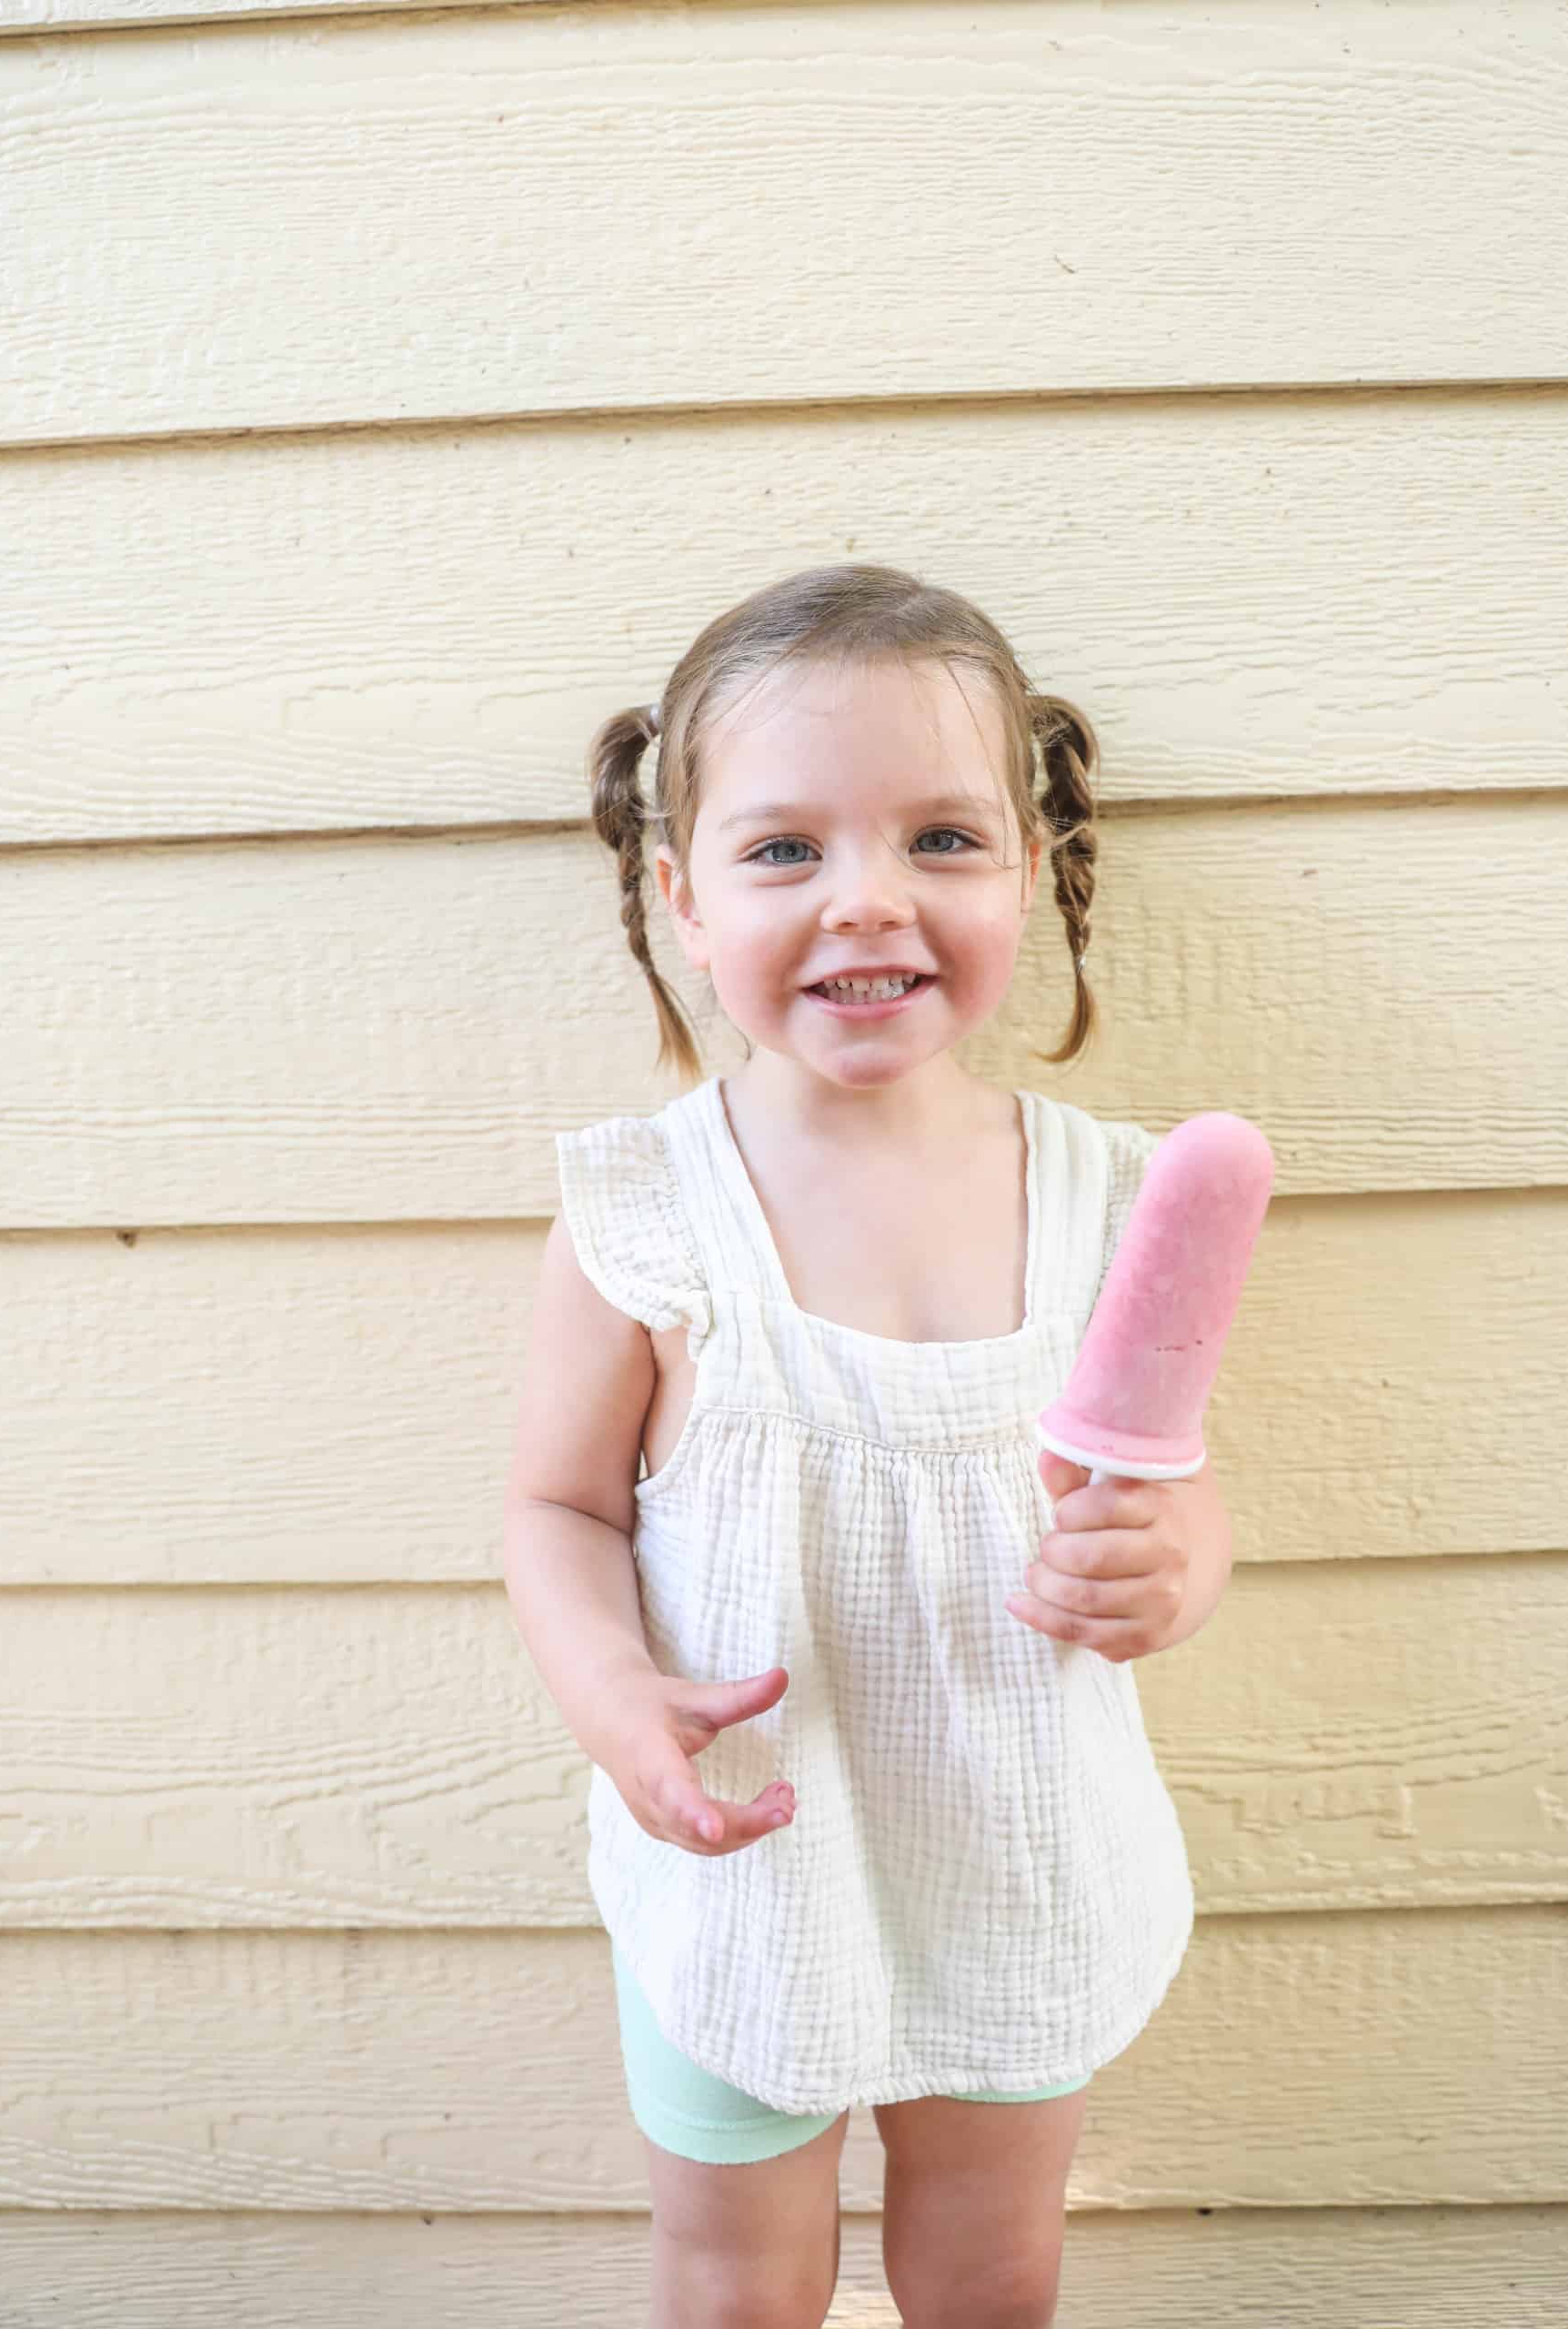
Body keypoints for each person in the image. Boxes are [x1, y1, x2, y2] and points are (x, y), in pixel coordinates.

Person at [500, 562, 1237, 2329]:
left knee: (987, 2270)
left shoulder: (1107, 1197)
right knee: (737, 2279)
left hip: (1017, 1850)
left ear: (1032, 869)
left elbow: (1171, 1473)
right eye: (783, 850)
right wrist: (613, 1698)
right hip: (743, 1867)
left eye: (939, 839)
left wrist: (1173, 1563)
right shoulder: (649, 1210)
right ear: (677, 892)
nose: (866, 901)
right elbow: (554, 1501)